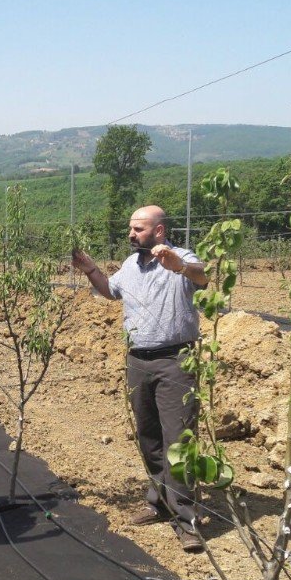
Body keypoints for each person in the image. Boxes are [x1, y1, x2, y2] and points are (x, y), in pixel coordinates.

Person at [72, 205, 209, 553]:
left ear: (159, 231)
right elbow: (110, 291)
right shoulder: (132, 264)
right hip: (138, 361)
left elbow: (203, 275)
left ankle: (186, 519)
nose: (131, 234)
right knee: (148, 436)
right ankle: (158, 501)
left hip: (175, 360)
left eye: (139, 229)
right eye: (131, 228)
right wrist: (89, 269)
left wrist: (180, 266)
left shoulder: (181, 258)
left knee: (177, 439)